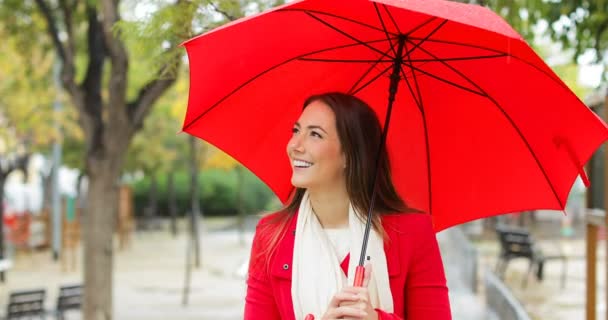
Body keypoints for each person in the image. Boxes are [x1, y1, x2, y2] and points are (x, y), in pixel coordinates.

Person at [245, 93, 451, 319]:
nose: (294, 145)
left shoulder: (412, 232)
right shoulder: (271, 235)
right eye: (296, 131)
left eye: (315, 134)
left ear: (349, 156)